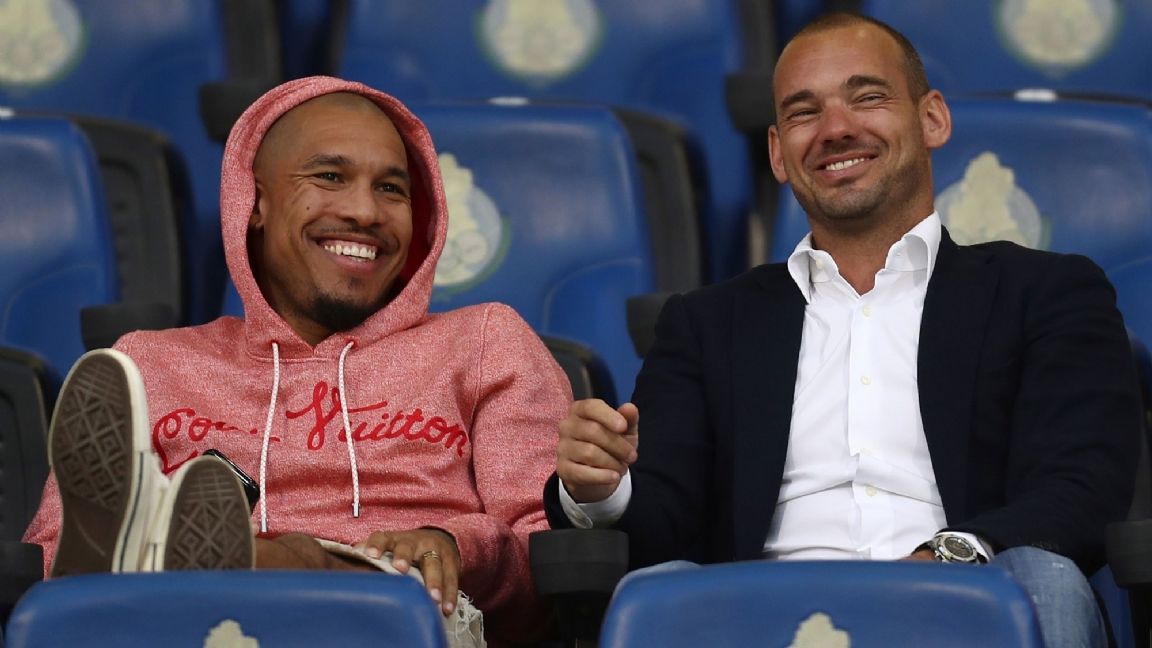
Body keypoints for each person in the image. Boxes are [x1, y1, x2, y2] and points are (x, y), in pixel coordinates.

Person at [545, 12, 1142, 647]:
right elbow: (665, 520)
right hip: (760, 618)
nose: (835, 129)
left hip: (966, 605)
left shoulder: (1045, 293)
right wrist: (600, 488)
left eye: (868, 97)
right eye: (804, 113)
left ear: (932, 119)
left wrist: (948, 557)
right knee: (654, 588)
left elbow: (1082, 487)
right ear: (777, 153)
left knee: (1045, 579)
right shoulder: (707, 323)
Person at [24, 76, 571, 646]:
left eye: (391, 189)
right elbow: (46, 556)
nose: (365, 211)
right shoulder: (148, 364)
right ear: (255, 202)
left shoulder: (483, 342)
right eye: (330, 177)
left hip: (408, 617)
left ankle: (213, 565)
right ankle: (177, 569)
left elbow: (551, 560)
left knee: (323, 570)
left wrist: (454, 544)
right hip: (189, 631)